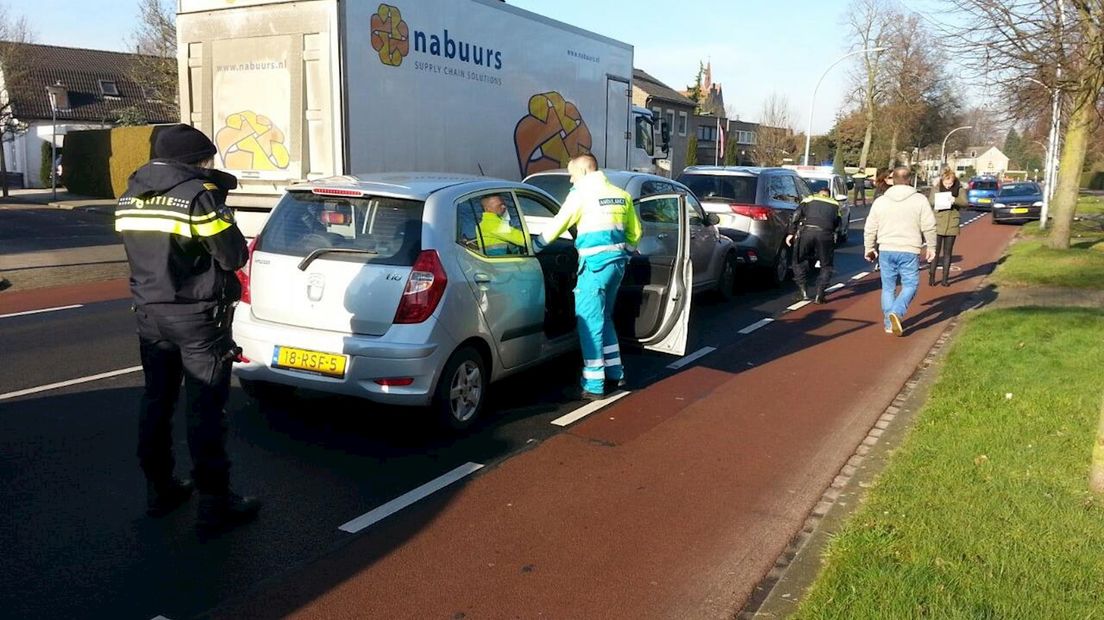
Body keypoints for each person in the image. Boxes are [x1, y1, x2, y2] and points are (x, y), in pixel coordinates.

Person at [115, 124, 260, 534]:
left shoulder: (130, 195)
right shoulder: (199, 197)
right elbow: (232, 257)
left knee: (156, 403)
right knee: (205, 410)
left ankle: (161, 489)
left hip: (148, 312)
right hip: (197, 317)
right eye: (206, 160)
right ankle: (215, 504)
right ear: (194, 160)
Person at [535, 154, 641, 400]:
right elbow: (635, 232)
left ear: (583, 172)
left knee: (588, 322)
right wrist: (625, 251)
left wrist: (537, 245)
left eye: (572, 174)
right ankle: (616, 372)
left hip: (593, 267)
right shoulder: (621, 195)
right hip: (616, 266)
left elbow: (560, 223)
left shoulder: (581, 195)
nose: (571, 181)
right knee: (605, 317)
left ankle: (593, 384)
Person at [863, 166, 936, 337]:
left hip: (886, 248)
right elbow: (929, 225)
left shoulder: (881, 201)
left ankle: (889, 323)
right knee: (910, 284)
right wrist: (931, 247)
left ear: (892, 180)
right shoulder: (919, 200)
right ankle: (897, 311)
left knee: (888, 288)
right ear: (910, 179)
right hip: (909, 249)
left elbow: (870, 227)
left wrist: (869, 247)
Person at [786, 187, 842, 303]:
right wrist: (834, 237)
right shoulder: (835, 204)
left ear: (819, 193)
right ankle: (820, 295)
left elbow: (796, 214)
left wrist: (791, 233)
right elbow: (838, 223)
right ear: (828, 195)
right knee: (826, 265)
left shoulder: (809, 199)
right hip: (826, 234)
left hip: (807, 233)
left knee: (798, 260)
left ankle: (803, 292)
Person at [927, 169, 966, 287]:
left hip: (952, 224)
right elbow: (931, 201)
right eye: (946, 183)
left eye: (951, 183)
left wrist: (955, 200)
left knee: (948, 253)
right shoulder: (936, 188)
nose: (948, 186)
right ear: (942, 180)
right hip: (938, 223)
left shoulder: (959, 189)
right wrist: (940, 200)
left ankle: (945, 279)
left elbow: (965, 202)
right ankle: (932, 276)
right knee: (935, 252)